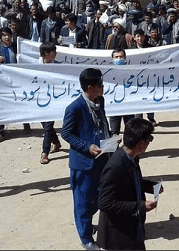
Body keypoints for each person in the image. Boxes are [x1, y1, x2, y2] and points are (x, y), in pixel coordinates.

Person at [61, 67, 112, 249]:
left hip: (102, 158)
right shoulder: (75, 108)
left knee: (100, 196)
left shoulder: (101, 101)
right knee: (82, 202)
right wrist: (86, 146)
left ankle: (90, 224)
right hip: (83, 163)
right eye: (100, 85)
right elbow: (66, 133)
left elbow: (102, 123)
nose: (103, 87)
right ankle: (86, 239)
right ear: (90, 87)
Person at [96, 118, 162, 250]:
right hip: (119, 235)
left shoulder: (132, 158)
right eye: (149, 139)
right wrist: (139, 206)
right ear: (142, 144)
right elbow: (104, 203)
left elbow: (131, 182)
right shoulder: (115, 166)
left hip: (133, 228)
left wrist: (151, 186)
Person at [38, 42, 62, 164]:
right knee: (46, 125)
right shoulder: (34, 66)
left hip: (53, 100)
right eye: (53, 52)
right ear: (46, 54)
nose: (55, 54)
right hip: (39, 100)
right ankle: (56, 143)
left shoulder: (59, 66)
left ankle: (44, 153)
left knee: (47, 126)